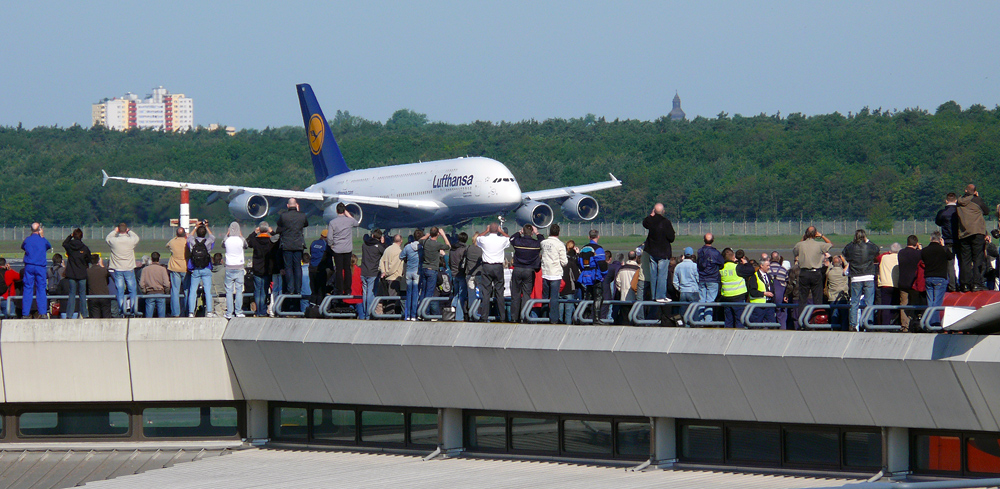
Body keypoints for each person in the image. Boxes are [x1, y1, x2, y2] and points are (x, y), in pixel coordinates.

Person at [793, 226, 832, 330]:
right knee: (817, 299)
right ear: (815, 234)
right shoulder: (819, 245)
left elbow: (796, 250)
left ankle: (802, 322)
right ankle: (818, 321)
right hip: (816, 273)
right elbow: (830, 244)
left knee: (803, 299)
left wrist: (803, 238)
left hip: (804, 273)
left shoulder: (800, 244)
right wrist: (822, 236)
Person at [842, 229, 880, 331]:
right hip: (868, 275)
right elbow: (876, 249)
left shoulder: (850, 247)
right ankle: (868, 323)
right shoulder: (869, 246)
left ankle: (853, 325)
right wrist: (867, 241)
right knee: (869, 302)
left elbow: (844, 252)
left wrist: (853, 242)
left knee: (854, 302)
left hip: (856, 276)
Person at [956, 184, 989, 292]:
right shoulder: (977, 200)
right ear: (975, 192)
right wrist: (977, 197)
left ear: (965, 190)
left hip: (964, 233)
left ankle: (965, 284)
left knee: (965, 259)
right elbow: (986, 211)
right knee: (977, 258)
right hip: (977, 232)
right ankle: (976, 283)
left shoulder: (959, 202)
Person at [475, 222, 510, 322]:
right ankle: (502, 317)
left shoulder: (485, 239)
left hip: (486, 266)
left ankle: (484, 316)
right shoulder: (502, 239)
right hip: (498, 266)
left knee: (486, 292)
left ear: (489, 229)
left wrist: (486, 231)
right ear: (497, 229)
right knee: (500, 292)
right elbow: (508, 238)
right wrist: (501, 231)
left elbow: (478, 238)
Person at [642, 203, 676, 302]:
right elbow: (671, 238)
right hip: (663, 252)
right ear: (663, 211)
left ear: (654, 211)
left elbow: (644, 223)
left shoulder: (651, 221)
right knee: (662, 275)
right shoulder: (666, 222)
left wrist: (651, 215)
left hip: (652, 252)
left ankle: (653, 295)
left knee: (653, 275)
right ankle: (660, 296)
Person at [105, 223, 140, 317]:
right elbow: (136, 237)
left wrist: (115, 231)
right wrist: (130, 231)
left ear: (118, 230)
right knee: (132, 290)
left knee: (120, 291)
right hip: (129, 268)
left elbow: (107, 238)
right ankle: (133, 309)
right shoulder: (131, 240)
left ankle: (121, 309)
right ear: (126, 230)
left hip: (118, 268)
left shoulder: (114, 241)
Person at [509, 224, 542, 323]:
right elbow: (542, 241)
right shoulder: (536, 244)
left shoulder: (518, 242)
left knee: (515, 295)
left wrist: (519, 232)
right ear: (532, 233)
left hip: (518, 268)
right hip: (529, 270)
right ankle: (524, 316)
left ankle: (514, 317)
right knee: (527, 295)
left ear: (523, 231)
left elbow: (511, 239)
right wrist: (537, 232)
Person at [275, 198, 308, 295]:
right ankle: (298, 289)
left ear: (288, 205)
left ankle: (290, 289)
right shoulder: (302, 215)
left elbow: (279, 224)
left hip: (287, 244)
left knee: (288, 267)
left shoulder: (283, 216)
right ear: (296, 205)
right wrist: (298, 212)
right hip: (298, 244)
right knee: (297, 267)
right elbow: (305, 224)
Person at [327, 203, 359, 295]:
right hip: (347, 249)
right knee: (348, 269)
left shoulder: (333, 222)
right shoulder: (349, 221)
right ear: (344, 211)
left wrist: (331, 245)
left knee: (339, 270)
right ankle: (348, 290)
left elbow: (329, 237)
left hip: (337, 249)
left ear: (336, 211)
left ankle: (339, 289)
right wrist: (348, 214)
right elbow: (356, 223)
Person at [922, 231, 953, 328]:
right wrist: (944, 246)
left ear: (930, 239)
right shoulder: (943, 249)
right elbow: (950, 257)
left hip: (928, 277)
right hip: (940, 277)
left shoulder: (925, 250)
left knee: (930, 301)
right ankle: (934, 322)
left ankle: (928, 321)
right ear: (940, 239)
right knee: (937, 301)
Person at [577, 230, 608, 324]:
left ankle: (585, 318)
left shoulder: (583, 248)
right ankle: (596, 319)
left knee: (588, 297)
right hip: (596, 276)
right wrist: (604, 275)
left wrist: (585, 271)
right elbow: (602, 264)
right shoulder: (598, 249)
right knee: (598, 297)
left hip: (586, 275)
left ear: (589, 237)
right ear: (598, 236)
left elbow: (579, 263)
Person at [21, 222, 52, 318]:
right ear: (39, 229)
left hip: (29, 265)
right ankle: (42, 312)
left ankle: (25, 313)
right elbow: (48, 245)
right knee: (41, 289)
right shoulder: (42, 240)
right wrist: (42, 236)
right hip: (40, 266)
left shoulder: (27, 240)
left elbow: (23, 246)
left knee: (28, 288)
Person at [187, 222, 216, 317]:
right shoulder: (208, 242)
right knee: (208, 291)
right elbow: (213, 237)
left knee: (193, 291)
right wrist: (207, 226)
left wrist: (196, 226)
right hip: (206, 268)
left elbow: (189, 237)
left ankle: (191, 311)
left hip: (196, 269)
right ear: (205, 234)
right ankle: (209, 311)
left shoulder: (193, 242)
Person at [247, 222, 277, 317]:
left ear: (259, 229)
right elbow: (279, 238)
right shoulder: (271, 241)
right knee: (264, 290)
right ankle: (263, 310)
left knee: (257, 290)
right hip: (267, 268)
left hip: (257, 268)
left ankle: (258, 310)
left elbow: (248, 241)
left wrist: (254, 232)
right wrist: (272, 232)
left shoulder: (255, 240)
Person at [539, 224, 568, 324]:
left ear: (549, 232)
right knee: (554, 297)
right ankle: (554, 319)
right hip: (555, 274)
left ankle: (543, 316)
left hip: (545, 272)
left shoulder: (543, 243)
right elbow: (564, 262)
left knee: (545, 297)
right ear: (558, 233)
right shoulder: (560, 245)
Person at [719, 248, 753, 328]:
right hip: (738, 297)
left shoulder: (721, 268)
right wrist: (746, 263)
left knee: (728, 320)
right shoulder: (737, 267)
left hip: (726, 297)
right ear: (733, 256)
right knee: (739, 320)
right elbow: (751, 270)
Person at [61, 229, 91, 319]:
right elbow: (89, 259)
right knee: (82, 295)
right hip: (81, 273)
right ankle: (84, 314)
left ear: (74, 236)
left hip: (71, 273)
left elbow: (64, 243)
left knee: (72, 294)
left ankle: (69, 314)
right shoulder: (84, 248)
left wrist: (70, 236)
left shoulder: (70, 247)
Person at [696, 233, 725, 322]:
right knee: (710, 301)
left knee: (702, 300)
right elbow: (721, 263)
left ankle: (700, 320)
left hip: (702, 278)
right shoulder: (715, 252)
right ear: (713, 240)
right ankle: (708, 321)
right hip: (712, 279)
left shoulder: (700, 251)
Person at [898, 235, 923, 332]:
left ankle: (905, 325)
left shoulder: (901, 253)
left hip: (903, 282)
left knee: (903, 304)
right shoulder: (917, 254)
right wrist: (920, 250)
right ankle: (913, 323)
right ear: (916, 243)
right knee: (913, 303)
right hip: (914, 283)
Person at [936, 192, 960, 290]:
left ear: (946, 201)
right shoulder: (959, 211)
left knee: (950, 263)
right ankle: (963, 284)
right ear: (956, 200)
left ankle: (952, 285)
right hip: (959, 239)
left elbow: (938, 222)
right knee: (962, 262)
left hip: (947, 239)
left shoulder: (942, 213)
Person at [223, 222, 248, 319]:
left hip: (229, 267)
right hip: (239, 267)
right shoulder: (241, 240)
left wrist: (227, 234)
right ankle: (238, 311)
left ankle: (229, 313)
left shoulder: (227, 240)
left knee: (229, 291)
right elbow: (246, 245)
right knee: (239, 290)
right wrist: (241, 236)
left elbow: (222, 244)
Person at [360, 229, 386, 319]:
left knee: (365, 293)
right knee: (371, 293)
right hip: (373, 272)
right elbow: (384, 252)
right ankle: (369, 313)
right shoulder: (378, 246)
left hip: (363, 271)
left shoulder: (364, 245)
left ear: (372, 236)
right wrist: (382, 243)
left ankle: (364, 312)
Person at [400, 229, 423, 320]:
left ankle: (408, 315)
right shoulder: (421, 247)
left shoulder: (408, 247)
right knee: (415, 294)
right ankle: (414, 314)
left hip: (408, 272)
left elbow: (401, 256)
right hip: (417, 272)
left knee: (408, 294)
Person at [379, 234, 405, 316]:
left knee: (387, 299)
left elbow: (381, 261)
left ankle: (388, 314)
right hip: (394, 277)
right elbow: (394, 266)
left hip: (385, 278)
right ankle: (389, 316)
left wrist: (383, 271)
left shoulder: (387, 249)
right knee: (392, 299)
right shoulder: (399, 252)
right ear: (401, 241)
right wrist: (387, 273)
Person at [876, 243, 902, 326]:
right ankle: (895, 323)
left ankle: (885, 325)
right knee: (896, 306)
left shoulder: (884, 257)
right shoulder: (900, 258)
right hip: (897, 284)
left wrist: (889, 252)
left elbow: (878, 257)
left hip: (885, 284)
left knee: (885, 307)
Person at [166, 227, 189, 317]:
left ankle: (175, 312)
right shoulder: (187, 242)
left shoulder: (173, 242)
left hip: (175, 268)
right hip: (185, 267)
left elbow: (167, 245)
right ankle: (187, 311)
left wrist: (176, 237)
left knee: (175, 291)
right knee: (187, 290)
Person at [139, 252, 170, 318]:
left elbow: (141, 283)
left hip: (149, 293)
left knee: (149, 317)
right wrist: (166, 292)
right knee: (161, 318)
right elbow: (167, 283)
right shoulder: (162, 269)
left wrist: (144, 291)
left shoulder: (145, 269)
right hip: (160, 292)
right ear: (159, 259)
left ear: (151, 259)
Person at [614, 251, 642, 322]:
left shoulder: (622, 269)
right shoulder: (638, 269)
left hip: (623, 297)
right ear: (636, 257)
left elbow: (617, 282)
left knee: (624, 318)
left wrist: (621, 290)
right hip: (635, 298)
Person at [449, 232, 469, 321]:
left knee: (456, 292)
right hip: (461, 274)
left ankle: (453, 305)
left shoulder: (452, 249)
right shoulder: (464, 249)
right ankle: (459, 316)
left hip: (453, 273)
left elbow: (449, 262)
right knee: (462, 295)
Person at [309, 229, 332, 306]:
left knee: (313, 291)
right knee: (320, 291)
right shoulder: (326, 245)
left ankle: (312, 307)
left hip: (311, 268)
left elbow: (311, 252)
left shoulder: (313, 243)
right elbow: (328, 258)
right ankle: (319, 308)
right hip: (320, 269)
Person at [767, 252, 789, 329]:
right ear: (779, 259)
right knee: (782, 317)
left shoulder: (767, 270)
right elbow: (787, 283)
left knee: (769, 317)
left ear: (770, 259)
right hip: (781, 296)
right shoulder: (783, 270)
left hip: (769, 296)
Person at [464, 234, 484, 317]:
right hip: (479, 273)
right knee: (480, 293)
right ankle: (480, 311)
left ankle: (471, 313)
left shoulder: (468, 248)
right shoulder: (482, 250)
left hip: (469, 274)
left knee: (471, 294)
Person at [87, 254, 112, 318]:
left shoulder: (88, 271)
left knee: (95, 318)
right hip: (104, 296)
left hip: (93, 297)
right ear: (98, 261)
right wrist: (102, 265)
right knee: (106, 318)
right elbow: (108, 280)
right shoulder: (104, 270)